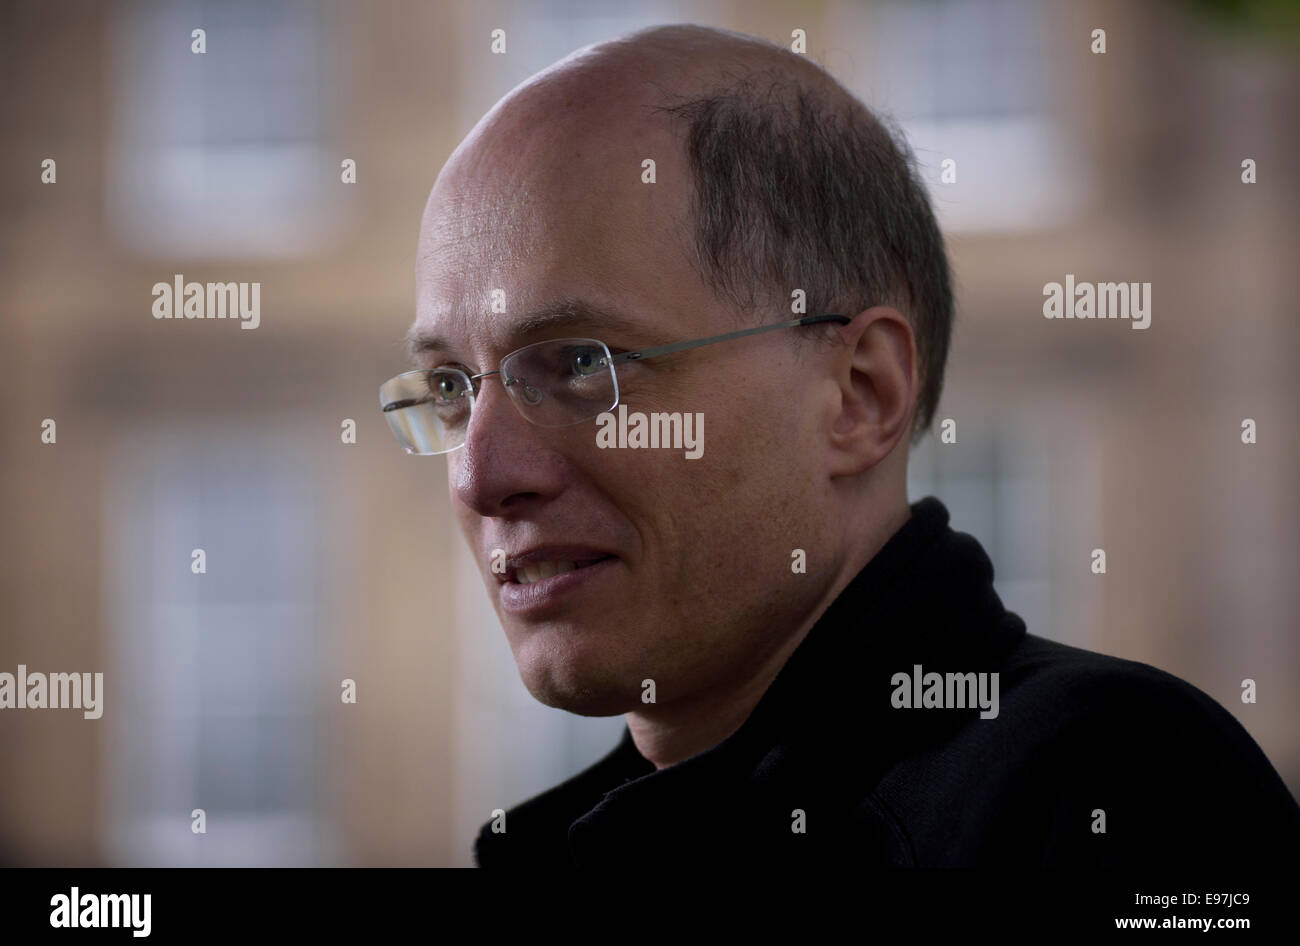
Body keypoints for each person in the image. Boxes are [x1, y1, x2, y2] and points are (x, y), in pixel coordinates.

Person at [384, 23, 1300, 867]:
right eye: (452, 390)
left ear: (862, 395)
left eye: (580, 364)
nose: (480, 474)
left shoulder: (1121, 787)